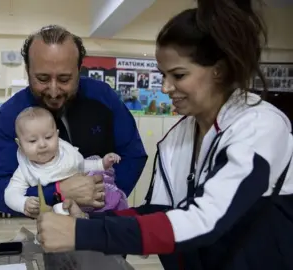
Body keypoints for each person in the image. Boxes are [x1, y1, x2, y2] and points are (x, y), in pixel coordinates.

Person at [36, 1, 293, 269]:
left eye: (178, 75)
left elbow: (207, 220)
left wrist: (82, 234)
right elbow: (159, 211)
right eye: (163, 74)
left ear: (220, 69)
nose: (165, 87)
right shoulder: (176, 138)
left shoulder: (260, 127)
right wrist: (88, 223)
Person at [0, 25, 147, 214]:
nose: (54, 91)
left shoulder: (103, 97)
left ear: (79, 69)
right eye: (42, 78)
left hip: (105, 218)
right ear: (28, 70)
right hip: (47, 221)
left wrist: (105, 198)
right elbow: (0, 190)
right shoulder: (10, 116)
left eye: (64, 79)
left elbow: (133, 154)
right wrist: (57, 193)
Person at [4, 107, 127, 217]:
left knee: (110, 201)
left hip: (88, 209)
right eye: (32, 141)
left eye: (48, 137)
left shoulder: (65, 154)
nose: (42, 145)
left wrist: (102, 163)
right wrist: (23, 203)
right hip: (56, 217)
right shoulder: (26, 170)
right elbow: (10, 194)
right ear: (20, 144)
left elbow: (82, 165)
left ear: (57, 135)